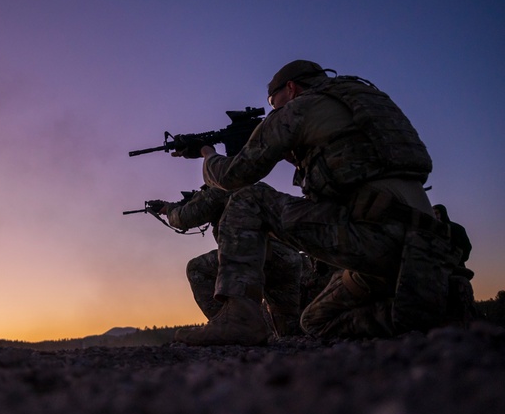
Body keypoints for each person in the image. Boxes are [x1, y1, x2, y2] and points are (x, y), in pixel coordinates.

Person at [174, 59, 457, 345]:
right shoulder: (365, 102)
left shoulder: (300, 107)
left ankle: (241, 317)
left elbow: (234, 176)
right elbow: (354, 163)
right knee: (315, 321)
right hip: (424, 246)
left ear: (291, 88)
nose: (275, 112)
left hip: (373, 237)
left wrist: (207, 154)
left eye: (274, 104)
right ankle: (426, 315)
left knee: (250, 199)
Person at [153, 183, 304, 339]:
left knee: (196, 268)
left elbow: (184, 218)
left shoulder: (220, 189)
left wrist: (169, 209)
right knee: (289, 332)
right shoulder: (257, 187)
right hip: (288, 259)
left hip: (258, 258)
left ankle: (229, 325)